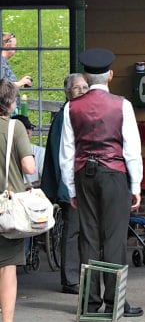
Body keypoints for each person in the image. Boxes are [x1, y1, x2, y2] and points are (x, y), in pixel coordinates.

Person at [59, 48, 143, 318]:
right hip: (114, 175)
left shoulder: (72, 107)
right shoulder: (122, 105)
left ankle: (90, 302)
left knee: (89, 239)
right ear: (110, 75)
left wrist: (71, 188)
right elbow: (132, 149)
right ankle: (116, 301)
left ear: (86, 75)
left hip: (84, 175)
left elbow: (67, 153)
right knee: (115, 239)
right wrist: (136, 186)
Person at [40, 73, 88, 294]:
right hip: (71, 183)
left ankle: (81, 275)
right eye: (77, 88)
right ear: (68, 92)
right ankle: (70, 279)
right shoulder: (64, 117)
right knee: (73, 230)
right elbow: (60, 155)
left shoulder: (78, 113)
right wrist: (64, 187)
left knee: (83, 230)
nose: (82, 91)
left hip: (84, 181)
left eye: (85, 87)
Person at [0, 80, 35, 322]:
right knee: (7, 267)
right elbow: (29, 168)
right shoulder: (16, 127)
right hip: (6, 207)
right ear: (11, 103)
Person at [12, 114, 43, 183]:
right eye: (23, 128)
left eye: (30, 128)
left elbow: (46, 179)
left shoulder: (40, 152)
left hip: (32, 191)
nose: (28, 132)